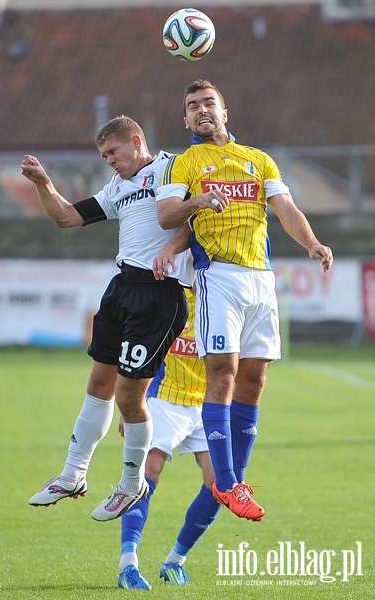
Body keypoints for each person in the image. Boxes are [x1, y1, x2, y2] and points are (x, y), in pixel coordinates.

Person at [154, 79, 334, 522]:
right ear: (186, 119)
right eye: (193, 106)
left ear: (225, 112)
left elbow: (286, 209)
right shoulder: (185, 163)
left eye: (208, 103)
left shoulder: (258, 160)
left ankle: (237, 479)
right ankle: (228, 481)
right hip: (218, 275)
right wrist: (198, 200)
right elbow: (165, 215)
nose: (201, 111)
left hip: (261, 279)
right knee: (224, 372)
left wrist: (311, 243)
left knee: (254, 379)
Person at [21, 115, 192, 520]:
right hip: (121, 289)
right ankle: (72, 474)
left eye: (113, 152)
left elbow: (199, 222)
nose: (109, 162)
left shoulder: (172, 167)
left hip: (159, 294)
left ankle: (132, 485)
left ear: (136, 141)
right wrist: (43, 182)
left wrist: (172, 248)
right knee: (98, 384)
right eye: (104, 156)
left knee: (129, 397)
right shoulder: (118, 186)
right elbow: (66, 217)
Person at [118, 287, 221, 590]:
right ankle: (128, 564)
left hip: (208, 400)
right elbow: (140, 347)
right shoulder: (168, 290)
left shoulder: (222, 291)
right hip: (164, 395)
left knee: (219, 484)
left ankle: (175, 560)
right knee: (147, 473)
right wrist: (131, 407)